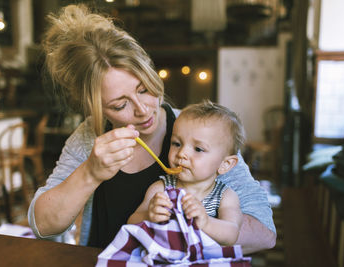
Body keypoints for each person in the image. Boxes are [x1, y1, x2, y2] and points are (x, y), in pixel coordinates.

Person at [28, 3, 276, 253]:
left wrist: (196, 225)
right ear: (95, 109)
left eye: (144, 89)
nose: (143, 110)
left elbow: (265, 232)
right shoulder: (88, 137)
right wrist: (90, 173)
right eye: (120, 105)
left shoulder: (204, 135)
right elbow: (43, 226)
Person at [128, 100, 244, 246]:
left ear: (225, 164)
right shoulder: (161, 188)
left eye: (198, 149)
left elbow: (232, 234)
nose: (182, 153)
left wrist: (206, 223)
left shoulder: (225, 196)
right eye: (177, 144)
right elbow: (131, 222)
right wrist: (148, 215)